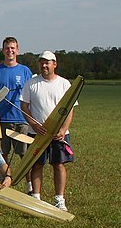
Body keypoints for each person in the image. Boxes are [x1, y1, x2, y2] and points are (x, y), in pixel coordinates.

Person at [20, 51, 78, 211]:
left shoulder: (65, 84)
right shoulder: (31, 83)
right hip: (37, 133)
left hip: (59, 134)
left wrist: (63, 129)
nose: (44, 65)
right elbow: (24, 106)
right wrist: (33, 124)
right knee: (37, 165)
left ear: (55, 64)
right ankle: (36, 199)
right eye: (42, 62)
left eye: (48, 62)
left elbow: (70, 109)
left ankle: (59, 199)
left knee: (58, 164)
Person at [0, 36, 34, 163]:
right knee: (2, 154)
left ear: (17, 50)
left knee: (24, 155)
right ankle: (5, 179)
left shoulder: (25, 71)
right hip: (0, 119)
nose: (10, 51)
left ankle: (29, 183)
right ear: (3, 50)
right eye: (7, 48)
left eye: (13, 48)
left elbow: (31, 94)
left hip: (21, 119)